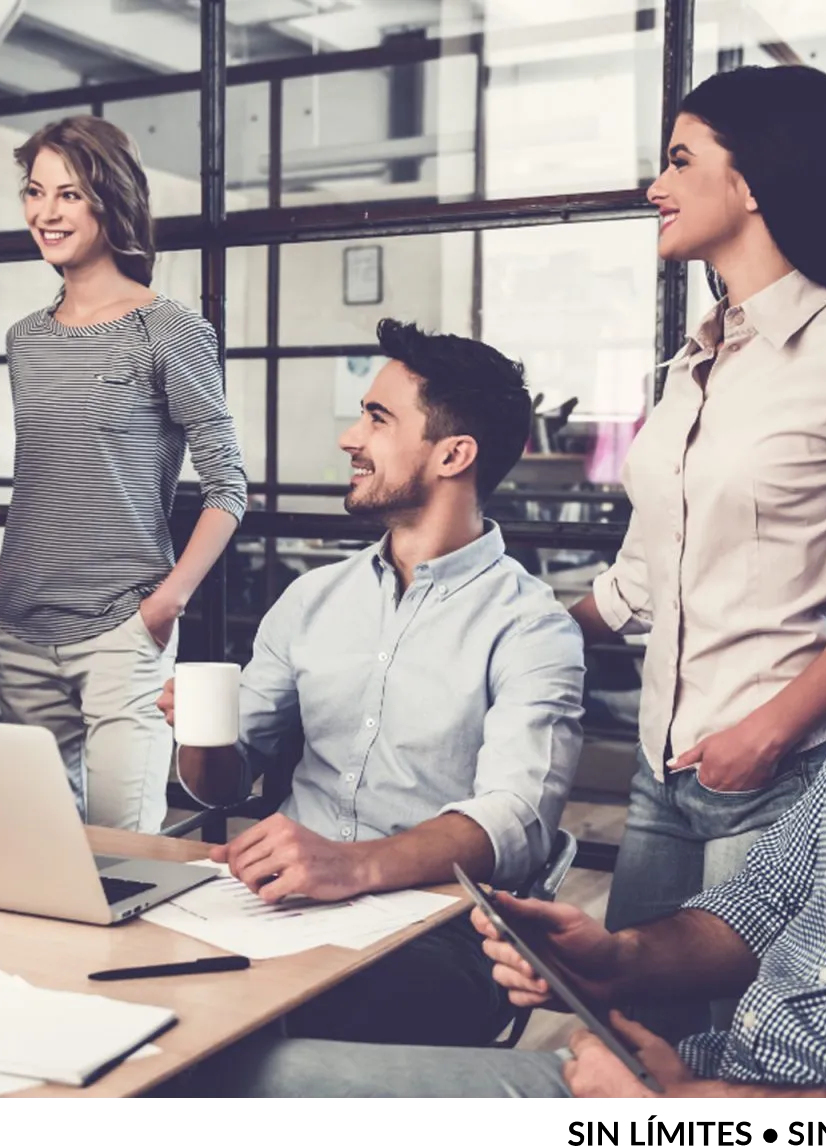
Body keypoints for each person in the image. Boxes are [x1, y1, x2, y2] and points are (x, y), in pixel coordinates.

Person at [195, 287, 826, 1101]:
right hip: (705, 1075)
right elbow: (764, 903)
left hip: (729, 1092)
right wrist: (613, 958)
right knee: (229, 1078)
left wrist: (713, 1101)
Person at [567, 65, 826, 1038]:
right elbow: (641, 575)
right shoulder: (695, 362)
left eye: (679, 160)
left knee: (741, 1048)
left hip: (779, 773)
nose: (655, 186)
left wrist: (768, 734)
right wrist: (508, 630)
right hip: (662, 767)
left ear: (749, 181)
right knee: (629, 1030)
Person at [160, 319, 585, 1048]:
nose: (349, 438)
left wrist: (351, 866)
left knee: (294, 1025)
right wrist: (203, 734)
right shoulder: (312, 599)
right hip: (275, 903)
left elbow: (514, 821)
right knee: (137, 982)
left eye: (378, 418)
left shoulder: (533, 628)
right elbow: (222, 784)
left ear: (454, 454)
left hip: (438, 927)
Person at [0, 116, 246, 833]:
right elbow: (45, 477)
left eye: (69, 194)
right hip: (18, 630)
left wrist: (167, 603)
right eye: (35, 191)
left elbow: (228, 485)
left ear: (111, 200)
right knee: (39, 851)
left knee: (124, 853)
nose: (46, 212)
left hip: (121, 632)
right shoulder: (25, 339)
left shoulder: (171, 330)